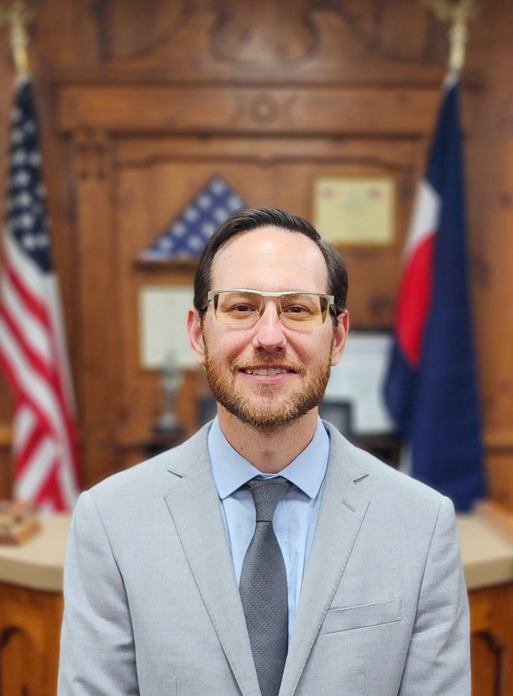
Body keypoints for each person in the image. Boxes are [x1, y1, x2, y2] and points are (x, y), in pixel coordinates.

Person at [58, 207, 470, 696]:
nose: (270, 337)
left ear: (336, 337)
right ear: (197, 333)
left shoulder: (422, 527)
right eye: (241, 307)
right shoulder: (110, 523)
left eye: (297, 308)